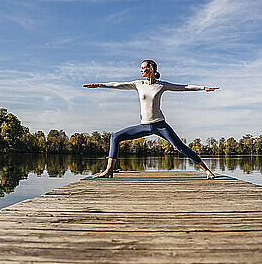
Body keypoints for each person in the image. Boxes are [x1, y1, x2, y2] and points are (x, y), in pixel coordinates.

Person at [83, 59, 219, 179]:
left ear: (151, 69)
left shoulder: (161, 85)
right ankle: (109, 170)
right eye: (141, 68)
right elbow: (117, 85)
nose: (141, 70)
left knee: (181, 148)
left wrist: (203, 88)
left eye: (143, 68)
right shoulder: (138, 84)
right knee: (115, 137)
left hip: (160, 125)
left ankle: (206, 171)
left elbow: (183, 87)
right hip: (144, 126)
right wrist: (99, 85)